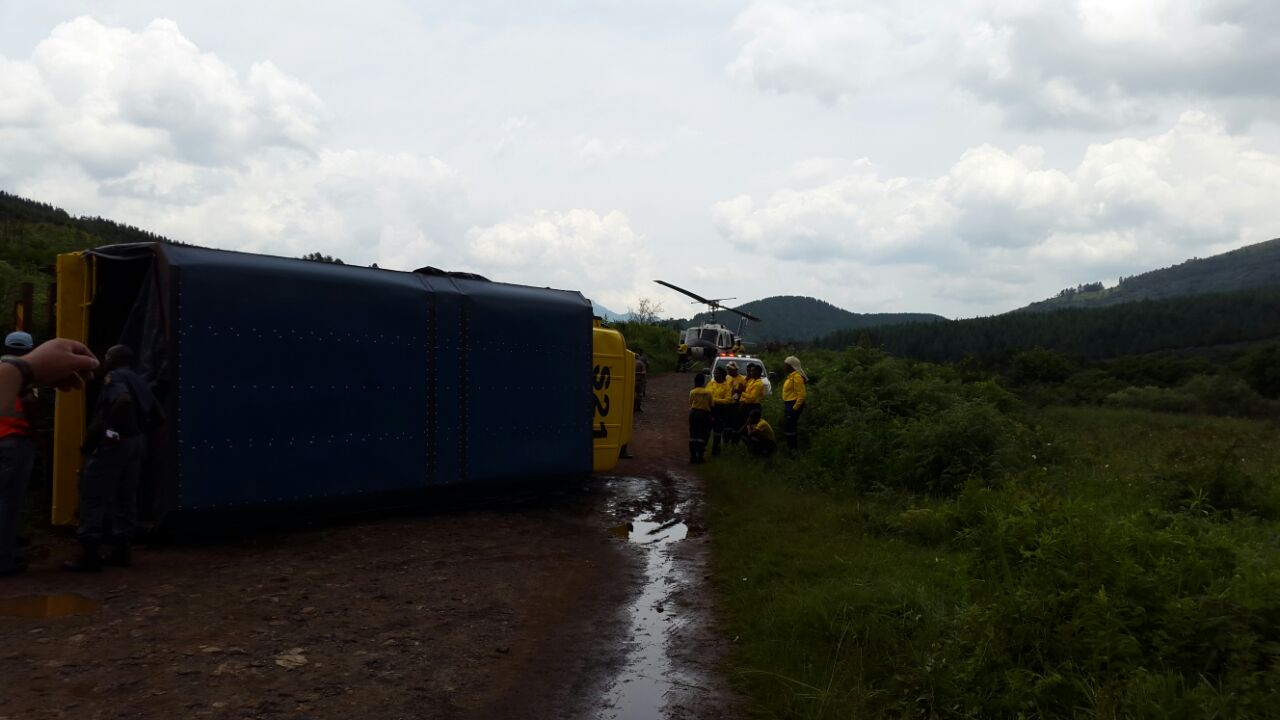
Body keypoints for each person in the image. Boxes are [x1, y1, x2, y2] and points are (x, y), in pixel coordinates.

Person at [64, 345, 158, 572]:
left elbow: (122, 401)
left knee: (93, 495)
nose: (104, 359)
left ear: (115, 359)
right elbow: (156, 414)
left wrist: (105, 431)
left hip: (114, 443)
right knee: (125, 497)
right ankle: (122, 551)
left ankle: (89, 554)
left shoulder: (114, 377)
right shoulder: (139, 380)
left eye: (106, 356)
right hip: (135, 443)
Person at [0, 332, 36, 576]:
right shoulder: (27, 376)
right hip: (14, 444)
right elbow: (31, 408)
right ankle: (5, 561)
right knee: (7, 504)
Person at [781, 355, 808, 454]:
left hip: (793, 405)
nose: (784, 367)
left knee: (790, 427)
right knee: (788, 426)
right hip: (789, 405)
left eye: (786, 365)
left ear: (791, 366)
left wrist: (794, 408)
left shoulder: (796, 377)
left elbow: (802, 395)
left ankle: (793, 449)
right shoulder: (791, 376)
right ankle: (790, 448)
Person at [707, 366, 734, 456]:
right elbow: (706, 394)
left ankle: (715, 451)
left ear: (723, 376)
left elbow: (728, 400)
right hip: (710, 410)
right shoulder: (711, 383)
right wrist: (714, 400)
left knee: (717, 432)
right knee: (706, 430)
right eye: (715, 373)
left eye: (717, 373)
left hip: (720, 411)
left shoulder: (726, 386)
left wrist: (714, 400)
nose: (715, 375)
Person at [688, 372, 714, 464]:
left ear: (695, 382)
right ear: (704, 382)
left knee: (693, 434)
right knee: (702, 435)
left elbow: (691, 403)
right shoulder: (708, 392)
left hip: (694, 414)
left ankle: (692, 456)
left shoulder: (692, 392)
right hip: (705, 414)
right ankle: (700, 456)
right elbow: (712, 405)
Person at [724, 361, 746, 444]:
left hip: (736, 404)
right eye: (727, 369)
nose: (728, 371)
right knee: (726, 423)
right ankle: (725, 440)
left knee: (735, 423)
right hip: (727, 403)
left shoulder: (742, 379)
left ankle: (734, 442)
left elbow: (743, 393)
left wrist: (738, 391)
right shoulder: (727, 377)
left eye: (730, 369)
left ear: (735, 370)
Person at [739, 363, 766, 427]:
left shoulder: (758, 384)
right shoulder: (752, 381)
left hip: (753, 406)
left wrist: (741, 392)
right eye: (750, 371)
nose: (750, 373)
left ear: (757, 372)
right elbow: (746, 392)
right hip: (747, 406)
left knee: (750, 426)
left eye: (752, 371)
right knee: (744, 424)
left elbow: (752, 398)